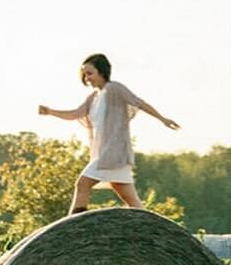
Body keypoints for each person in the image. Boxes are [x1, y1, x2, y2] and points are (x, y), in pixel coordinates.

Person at [38, 53, 180, 213]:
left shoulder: (114, 89)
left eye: (90, 73)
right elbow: (75, 114)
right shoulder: (93, 97)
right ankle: (153, 230)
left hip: (113, 153)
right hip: (104, 153)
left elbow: (139, 102)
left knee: (82, 184)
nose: (87, 78)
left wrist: (163, 119)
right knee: (132, 202)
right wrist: (50, 111)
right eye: (84, 74)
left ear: (102, 72)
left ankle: (74, 227)